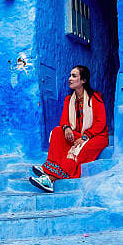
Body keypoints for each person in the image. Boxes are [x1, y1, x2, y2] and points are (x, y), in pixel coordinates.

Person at [29, 65, 109, 193]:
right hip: (79, 135)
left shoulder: (95, 97)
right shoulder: (69, 99)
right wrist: (66, 128)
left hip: (96, 136)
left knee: (77, 150)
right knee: (57, 132)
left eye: (74, 76)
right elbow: (64, 120)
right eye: (70, 75)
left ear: (83, 80)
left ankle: (50, 178)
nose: (69, 78)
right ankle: (50, 166)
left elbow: (101, 122)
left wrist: (85, 137)